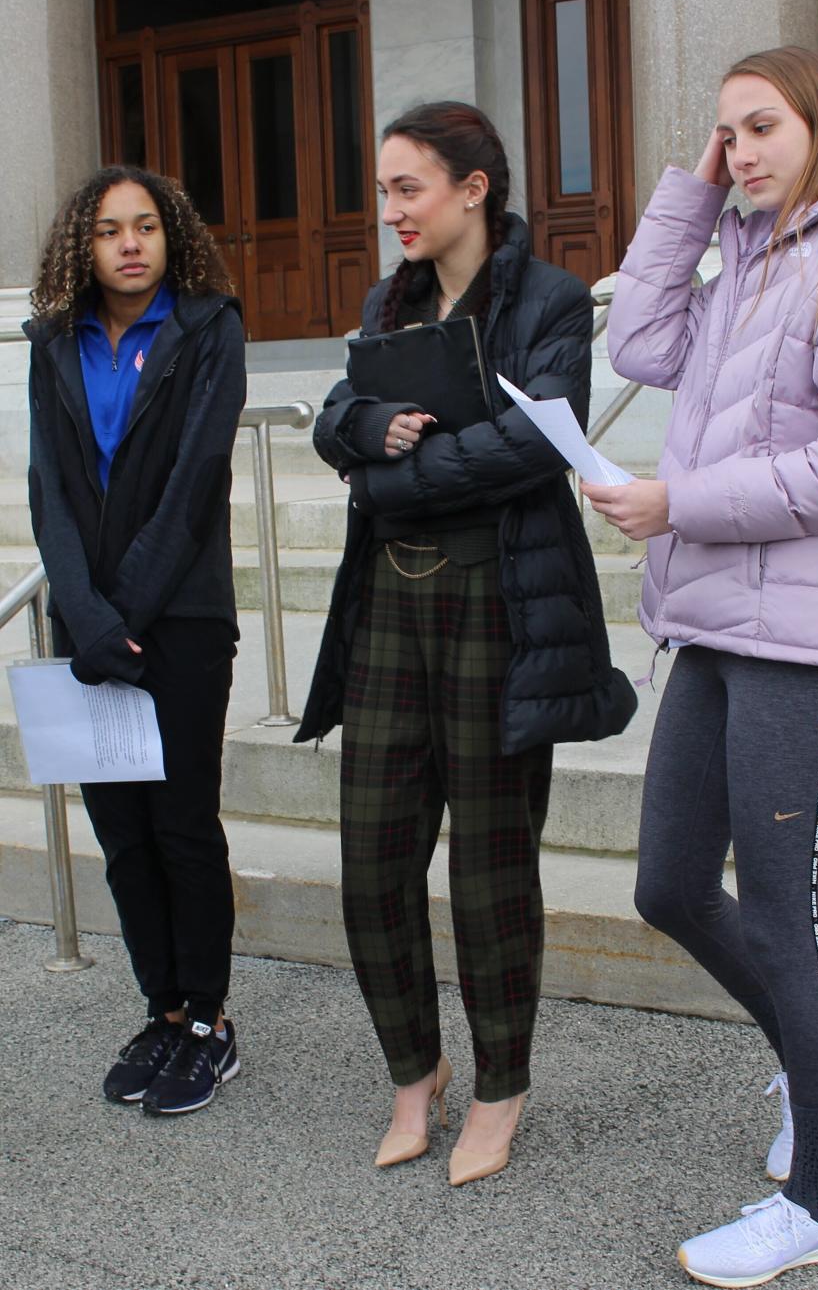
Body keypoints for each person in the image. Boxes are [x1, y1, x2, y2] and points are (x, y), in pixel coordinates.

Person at [583, 46, 818, 1286]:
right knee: (670, 885)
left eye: (761, 126)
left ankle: (817, 1201)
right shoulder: (745, 248)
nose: (740, 149)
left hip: (809, 632)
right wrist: (690, 194)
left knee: (786, 920)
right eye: (724, 131)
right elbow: (635, 341)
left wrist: (680, 497)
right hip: (722, 621)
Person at [296, 101, 636, 1185]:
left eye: (409, 187)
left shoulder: (549, 299)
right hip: (390, 606)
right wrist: (360, 432)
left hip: (501, 603)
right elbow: (334, 411)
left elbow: (540, 437)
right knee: (371, 860)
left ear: (473, 189)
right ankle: (414, 1071)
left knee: (491, 870)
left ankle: (500, 1087)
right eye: (385, 189)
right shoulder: (384, 299)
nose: (389, 208)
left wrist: (392, 475)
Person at [25, 166, 246, 1115]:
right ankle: (160, 1008)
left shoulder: (209, 329)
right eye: (110, 229)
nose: (129, 243)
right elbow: (48, 490)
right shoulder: (52, 342)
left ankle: (208, 1022)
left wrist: (129, 612)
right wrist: (85, 611)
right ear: (85, 242)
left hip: (182, 620)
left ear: (172, 236)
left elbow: (196, 481)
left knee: (182, 828)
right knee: (120, 837)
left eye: (146, 227)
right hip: (87, 628)